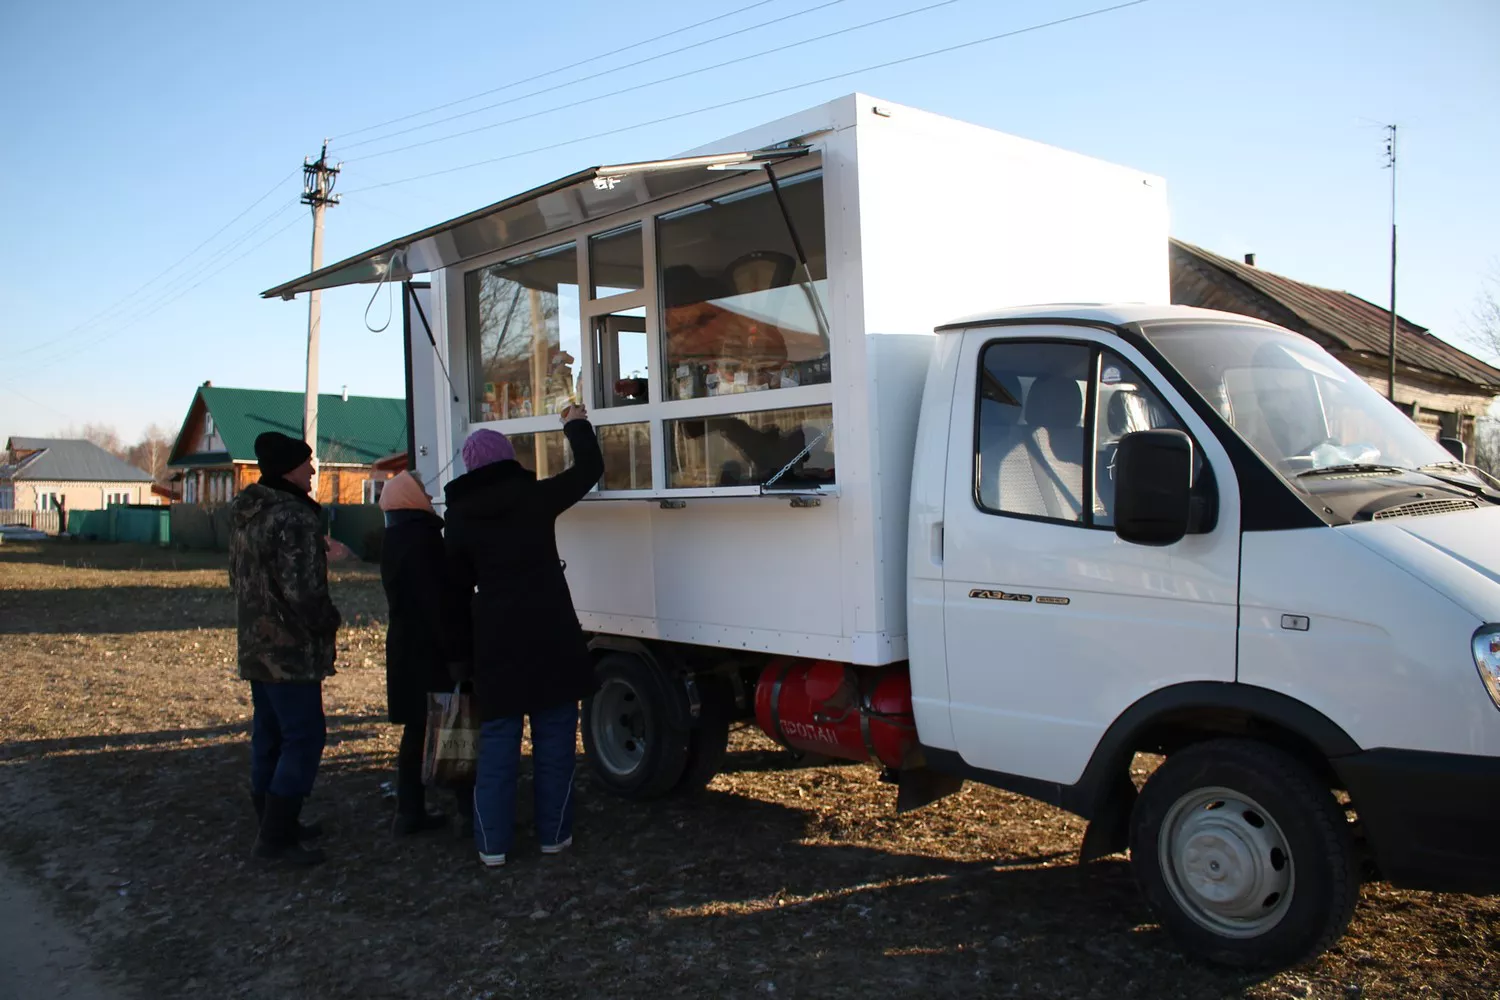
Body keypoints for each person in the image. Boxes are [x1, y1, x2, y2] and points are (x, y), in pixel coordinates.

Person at [443, 404, 604, 868]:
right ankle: (554, 836)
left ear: (470, 467)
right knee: (555, 742)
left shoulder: (459, 519)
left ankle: (491, 846)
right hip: (550, 629)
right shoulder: (534, 497)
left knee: (496, 749)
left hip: (494, 639)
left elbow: (453, 594)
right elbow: (590, 468)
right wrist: (574, 421)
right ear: (510, 459)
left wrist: (458, 658)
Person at [227, 432, 341, 867]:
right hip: (290, 647)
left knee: (270, 734)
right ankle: (275, 838)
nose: (312, 471)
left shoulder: (247, 514)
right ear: (286, 470)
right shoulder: (292, 518)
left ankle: (272, 824)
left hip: (256, 643)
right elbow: (303, 590)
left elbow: (236, 578)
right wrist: (326, 620)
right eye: (305, 464)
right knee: (304, 735)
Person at [378, 470, 473, 836]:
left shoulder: (396, 537)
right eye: (422, 491)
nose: (429, 497)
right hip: (431, 651)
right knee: (453, 725)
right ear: (410, 498)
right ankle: (466, 809)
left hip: (406, 649)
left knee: (417, 731)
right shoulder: (424, 540)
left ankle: (410, 808)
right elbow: (439, 604)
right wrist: (457, 653)